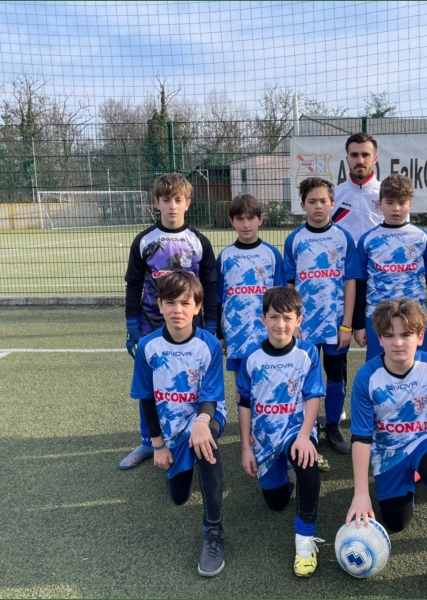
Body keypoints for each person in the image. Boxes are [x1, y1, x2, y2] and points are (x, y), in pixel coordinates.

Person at [346, 299, 427, 599]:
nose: (397, 342)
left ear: (420, 336)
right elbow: (361, 438)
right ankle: (411, 478)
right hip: (388, 452)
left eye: (406, 335)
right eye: (389, 335)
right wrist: (360, 493)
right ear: (379, 338)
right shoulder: (367, 377)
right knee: (396, 523)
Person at [129, 271, 227, 576]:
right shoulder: (148, 347)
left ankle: (213, 532)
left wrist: (201, 421)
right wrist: (158, 445)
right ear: (160, 305)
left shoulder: (208, 345)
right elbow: (146, 398)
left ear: (197, 307)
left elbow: (211, 395)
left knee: (207, 447)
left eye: (185, 303)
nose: (177, 309)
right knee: (179, 497)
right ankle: (180, 459)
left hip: (207, 415)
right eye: (170, 302)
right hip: (171, 428)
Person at [121, 174, 218, 470]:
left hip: (191, 328)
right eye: (166, 200)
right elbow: (134, 285)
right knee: (151, 385)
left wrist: (211, 326)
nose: (172, 206)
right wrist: (132, 329)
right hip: (151, 327)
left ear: (188, 203)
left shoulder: (199, 241)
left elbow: (210, 286)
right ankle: (149, 441)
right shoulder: (145, 240)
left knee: (191, 382)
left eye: (178, 200)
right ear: (157, 203)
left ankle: (190, 431)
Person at [237, 287, 326, 577]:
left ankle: (305, 542)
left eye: (287, 318)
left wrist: (305, 436)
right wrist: (246, 448)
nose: (280, 324)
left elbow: (313, 396)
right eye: (274, 317)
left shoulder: (307, 353)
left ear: (298, 320)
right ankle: (287, 468)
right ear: (263, 318)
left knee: (306, 461)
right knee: (275, 503)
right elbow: (244, 404)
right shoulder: (252, 358)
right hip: (264, 438)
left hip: (295, 430)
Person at [284, 177, 361, 454]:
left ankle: (332, 425)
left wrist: (346, 324)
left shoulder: (343, 237)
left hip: (335, 325)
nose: (318, 206)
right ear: (303, 205)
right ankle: (309, 425)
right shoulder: (294, 239)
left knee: (336, 376)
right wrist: (293, 323)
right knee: (304, 375)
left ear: (332, 204)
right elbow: (289, 285)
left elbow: (350, 282)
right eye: (312, 201)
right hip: (304, 326)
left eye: (323, 201)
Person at [352, 173, 427, 363]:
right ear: (379, 204)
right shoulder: (368, 239)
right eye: (390, 202)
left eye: (402, 203)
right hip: (377, 316)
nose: (396, 208)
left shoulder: (422, 237)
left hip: (413, 316)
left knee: (416, 369)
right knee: (377, 369)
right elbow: (360, 284)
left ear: (410, 204)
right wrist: (359, 324)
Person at [216, 193, 284, 386]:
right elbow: (219, 299)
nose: (246, 224)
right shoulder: (225, 257)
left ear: (260, 219)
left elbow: (281, 298)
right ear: (232, 221)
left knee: (269, 380)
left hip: (266, 331)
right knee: (242, 384)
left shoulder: (271, 254)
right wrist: (220, 334)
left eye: (251, 218)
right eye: (240, 219)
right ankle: (243, 407)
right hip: (236, 331)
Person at [331, 132, 383, 244]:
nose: (360, 161)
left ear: (375, 159)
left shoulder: (387, 195)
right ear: (347, 159)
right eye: (354, 155)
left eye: (365, 155)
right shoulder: (334, 196)